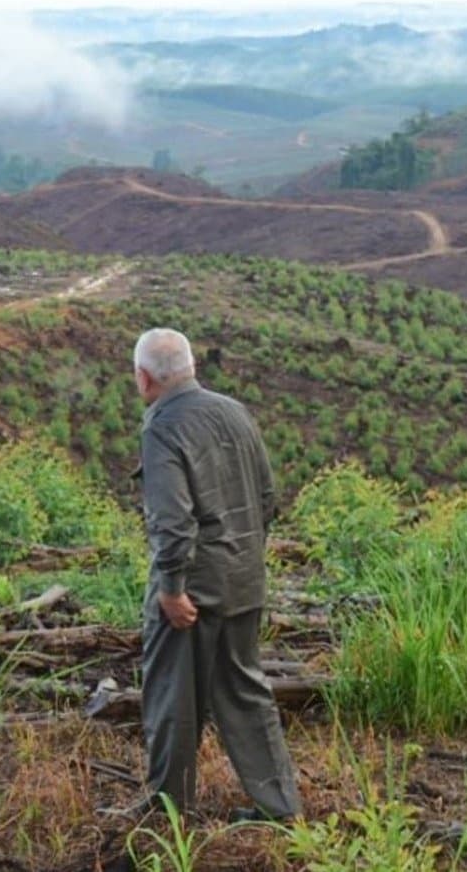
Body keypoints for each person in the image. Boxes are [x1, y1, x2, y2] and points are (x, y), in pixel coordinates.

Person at [124, 327, 302, 822]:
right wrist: (244, 558)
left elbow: (172, 519)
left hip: (194, 591)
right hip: (244, 579)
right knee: (246, 691)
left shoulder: (162, 426)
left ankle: (168, 809)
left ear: (144, 378)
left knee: (172, 698)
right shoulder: (234, 412)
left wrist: (172, 587)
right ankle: (281, 806)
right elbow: (267, 498)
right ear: (189, 367)